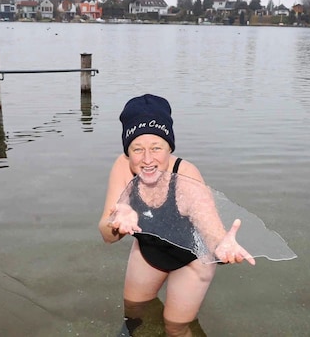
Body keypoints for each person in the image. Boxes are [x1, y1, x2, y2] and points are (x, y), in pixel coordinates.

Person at [98, 94, 255, 337]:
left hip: (191, 261)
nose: (148, 160)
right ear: (127, 151)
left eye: (156, 148)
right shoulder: (122, 167)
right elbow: (107, 235)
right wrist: (117, 222)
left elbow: (212, 233)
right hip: (148, 251)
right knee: (133, 311)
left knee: (175, 327)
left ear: (170, 147)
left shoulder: (187, 176)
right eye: (137, 149)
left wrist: (223, 246)